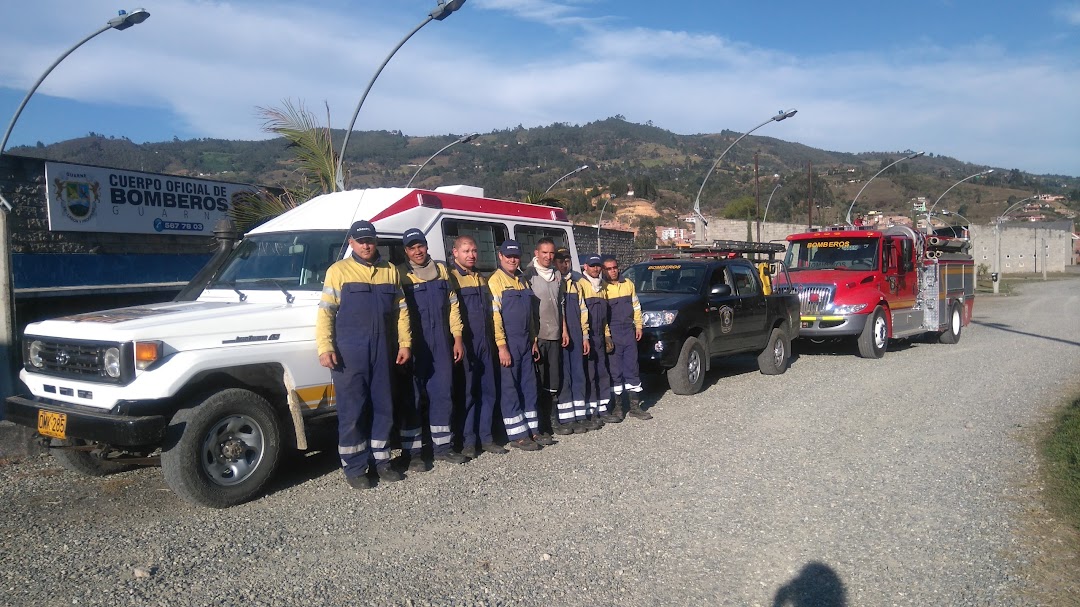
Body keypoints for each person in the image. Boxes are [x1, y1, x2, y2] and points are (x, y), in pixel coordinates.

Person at [316, 220, 412, 489]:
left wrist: (405, 344)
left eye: (370, 240)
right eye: (361, 241)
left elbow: (401, 312)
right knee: (353, 409)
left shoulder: (390, 271)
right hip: (349, 352)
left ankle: (382, 462)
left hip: (383, 350)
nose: (366, 245)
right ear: (352, 243)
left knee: (384, 406)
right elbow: (325, 312)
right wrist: (325, 347)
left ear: (376, 241)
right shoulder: (338, 271)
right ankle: (355, 467)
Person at [397, 228, 468, 470]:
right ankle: (413, 453)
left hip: (441, 344)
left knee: (443, 395)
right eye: (411, 247)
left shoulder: (441, 271)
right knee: (412, 398)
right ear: (406, 251)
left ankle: (443, 448)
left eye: (420, 246)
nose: (417, 251)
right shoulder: (400, 274)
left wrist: (457, 338)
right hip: (414, 345)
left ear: (426, 246)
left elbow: (453, 307)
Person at [448, 235, 507, 457]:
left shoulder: (481, 278)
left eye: (473, 250)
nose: (471, 255)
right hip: (467, 345)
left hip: (485, 344)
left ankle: (487, 438)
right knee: (468, 394)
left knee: (488, 391)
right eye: (466, 251)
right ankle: (468, 441)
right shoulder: (452, 278)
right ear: (455, 253)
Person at [488, 239, 548, 450]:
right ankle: (517, 435)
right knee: (510, 389)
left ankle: (533, 430)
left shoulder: (522, 280)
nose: (512, 260)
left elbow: (530, 316)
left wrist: (532, 340)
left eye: (515, 256)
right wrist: (502, 347)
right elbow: (495, 317)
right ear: (500, 257)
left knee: (529, 386)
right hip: (509, 344)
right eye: (508, 256)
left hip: (525, 342)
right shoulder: (495, 281)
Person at [522, 237, 570, 437]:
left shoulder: (557, 275)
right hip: (538, 336)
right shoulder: (528, 275)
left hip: (555, 334)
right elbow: (528, 310)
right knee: (538, 380)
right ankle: (540, 424)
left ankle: (552, 420)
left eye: (551, 253)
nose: (548, 257)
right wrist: (532, 338)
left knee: (554, 379)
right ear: (536, 253)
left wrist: (564, 330)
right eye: (544, 253)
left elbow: (561, 305)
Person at [602, 255, 652, 421]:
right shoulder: (602, 288)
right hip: (614, 334)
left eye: (614, 267)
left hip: (628, 332)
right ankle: (618, 408)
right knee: (615, 372)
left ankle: (635, 407)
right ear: (604, 270)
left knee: (632, 368)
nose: (613, 271)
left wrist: (639, 326)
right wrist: (607, 335)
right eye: (608, 269)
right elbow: (602, 316)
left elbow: (637, 307)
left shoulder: (628, 284)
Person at [554, 247, 598, 432]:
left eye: (567, 260)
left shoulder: (576, 284)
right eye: (561, 260)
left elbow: (583, 312)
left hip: (577, 335)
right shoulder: (554, 283)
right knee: (565, 377)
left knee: (579, 374)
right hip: (561, 337)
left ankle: (580, 415)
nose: (565, 264)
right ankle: (566, 418)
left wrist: (585, 336)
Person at [579, 254, 618, 423]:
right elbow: (580, 315)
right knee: (590, 374)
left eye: (598, 266)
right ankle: (591, 410)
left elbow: (604, 317)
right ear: (585, 267)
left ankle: (603, 408)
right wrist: (584, 336)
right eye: (592, 266)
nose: (596, 269)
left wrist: (607, 335)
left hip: (600, 337)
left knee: (603, 372)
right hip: (588, 337)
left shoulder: (602, 287)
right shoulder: (580, 285)